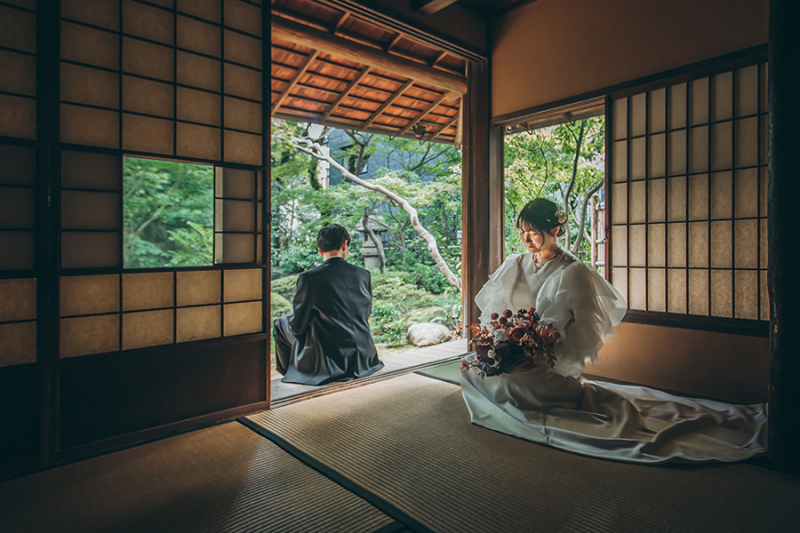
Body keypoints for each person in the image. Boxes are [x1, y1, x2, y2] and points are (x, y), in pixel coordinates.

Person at [460, 198, 767, 464]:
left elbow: (578, 331)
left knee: (511, 385)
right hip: (516, 349)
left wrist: (536, 354)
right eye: (522, 231)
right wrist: (501, 345)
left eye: (533, 231)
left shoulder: (572, 271)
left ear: (555, 230)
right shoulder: (515, 264)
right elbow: (497, 312)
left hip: (545, 359)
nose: (526, 238)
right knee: (474, 369)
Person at [273, 224, 384, 385]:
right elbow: (363, 315)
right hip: (365, 356)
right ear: (344, 245)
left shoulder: (309, 278)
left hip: (330, 359)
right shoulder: (363, 275)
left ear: (320, 251)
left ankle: (294, 372)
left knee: (279, 324)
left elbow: (298, 326)